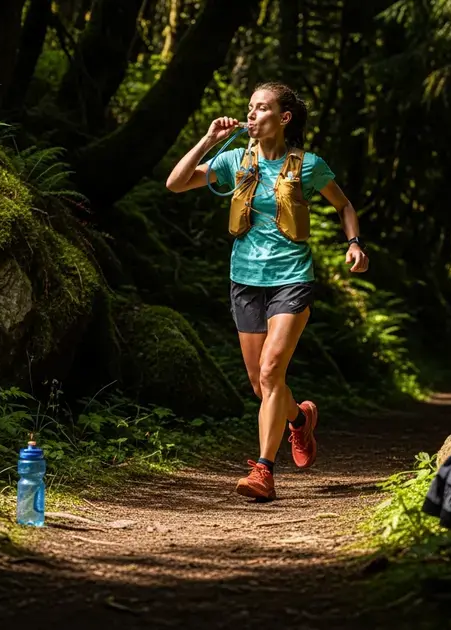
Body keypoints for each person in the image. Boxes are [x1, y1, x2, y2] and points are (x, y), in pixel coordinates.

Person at [166, 81, 368, 501]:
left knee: (272, 370)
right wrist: (208, 139)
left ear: (283, 118)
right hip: (245, 281)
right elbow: (176, 183)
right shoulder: (235, 160)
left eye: (261, 108)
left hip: (292, 279)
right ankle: (299, 419)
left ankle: (263, 471)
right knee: (261, 386)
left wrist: (354, 244)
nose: (252, 115)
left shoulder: (309, 166)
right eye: (250, 108)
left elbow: (344, 205)